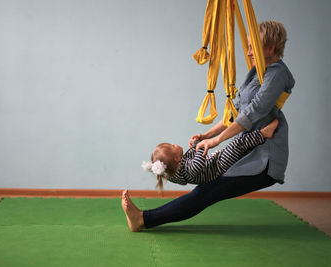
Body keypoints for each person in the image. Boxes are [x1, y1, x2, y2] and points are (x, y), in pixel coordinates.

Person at [122, 20, 295, 232]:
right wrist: (208, 134)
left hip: (265, 156)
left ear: (270, 48)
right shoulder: (257, 72)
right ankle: (143, 219)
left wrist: (216, 140)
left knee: (206, 192)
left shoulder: (276, 73)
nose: (249, 52)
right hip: (249, 148)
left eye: (253, 47)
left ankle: (143, 219)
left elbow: (254, 111)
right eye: (248, 47)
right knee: (205, 191)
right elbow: (236, 112)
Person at [142, 119, 278, 189]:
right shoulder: (188, 169)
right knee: (238, 143)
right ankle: (263, 133)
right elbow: (198, 163)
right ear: (177, 158)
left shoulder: (174, 171)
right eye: (172, 146)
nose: (175, 144)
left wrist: (197, 143)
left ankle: (256, 139)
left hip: (216, 162)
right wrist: (202, 146)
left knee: (239, 147)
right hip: (219, 166)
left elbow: (190, 158)